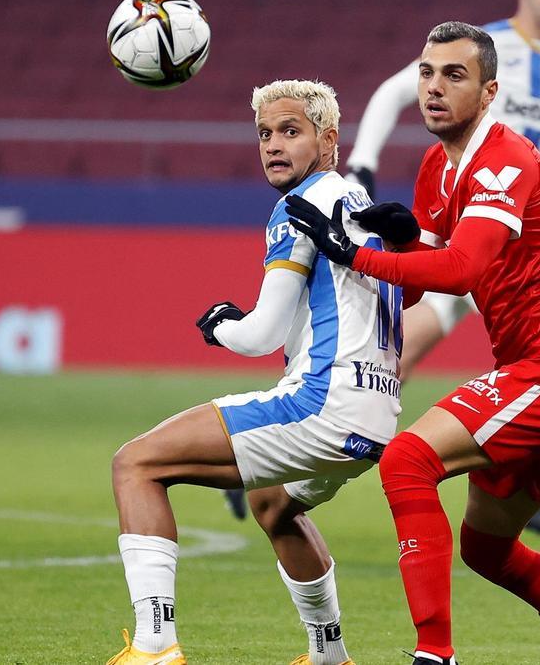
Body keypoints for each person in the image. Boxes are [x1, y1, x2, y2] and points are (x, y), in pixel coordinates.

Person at [288, 22, 540, 665]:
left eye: (454, 76)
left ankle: (434, 655)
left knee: (408, 459)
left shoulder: (507, 158)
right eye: (427, 74)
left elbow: (461, 270)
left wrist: (358, 255)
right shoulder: (437, 167)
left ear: (489, 92)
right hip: (538, 372)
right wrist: (396, 245)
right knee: (488, 551)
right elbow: (417, 289)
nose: (434, 88)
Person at [107, 79, 402, 665]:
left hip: (321, 404)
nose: (272, 144)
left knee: (136, 464)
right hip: (377, 414)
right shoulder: (362, 206)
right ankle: (328, 656)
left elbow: (262, 333)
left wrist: (221, 325)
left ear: (328, 138)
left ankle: (154, 647)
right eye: (264, 133)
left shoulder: (300, 204)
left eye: (290, 131)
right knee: (273, 504)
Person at [340, 0, 540, 541]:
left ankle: (505, 471)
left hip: (504, 241)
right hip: (462, 237)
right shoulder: (480, 47)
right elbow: (394, 94)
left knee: (411, 348)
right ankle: (319, 436)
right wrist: (362, 165)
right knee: (395, 347)